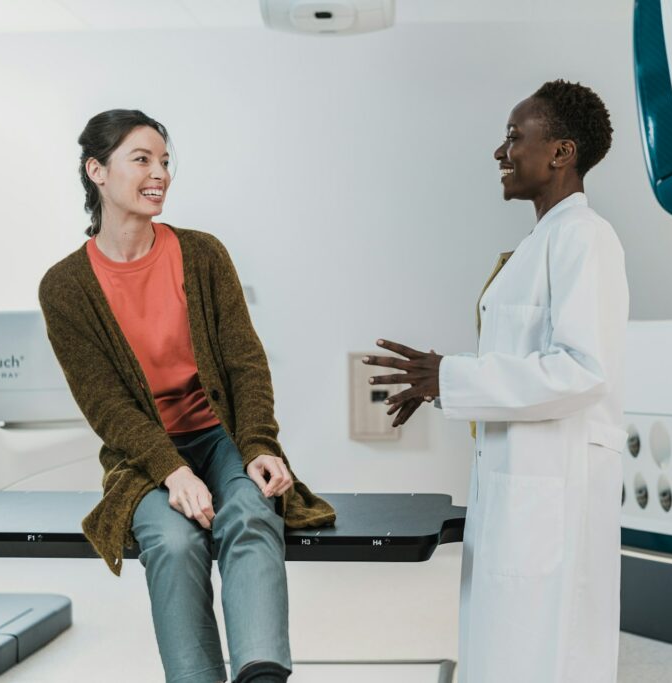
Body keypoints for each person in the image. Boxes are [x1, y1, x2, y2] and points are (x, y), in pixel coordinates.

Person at [38, 109, 335, 683]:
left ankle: (262, 675)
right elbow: (106, 406)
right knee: (173, 544)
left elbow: (245, 362)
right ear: (96, 170)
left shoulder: (201, 254)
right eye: (142, 159)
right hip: (144, 457)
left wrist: (257, 446)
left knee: (250, 511)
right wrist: (172, 471)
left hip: (220, 436)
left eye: (166, 162)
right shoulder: (65, 286)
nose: (160, 175)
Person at [363, 80, 629, 682]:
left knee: (543, 652)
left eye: (514, 137)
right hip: (524, 482)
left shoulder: (585, 238)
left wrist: (451, 376)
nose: (499, 152)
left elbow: (584, 370)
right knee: (507, 645)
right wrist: (441, 384)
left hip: (553, 489)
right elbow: (526, 365)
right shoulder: (545, 242)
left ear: (561, 152)